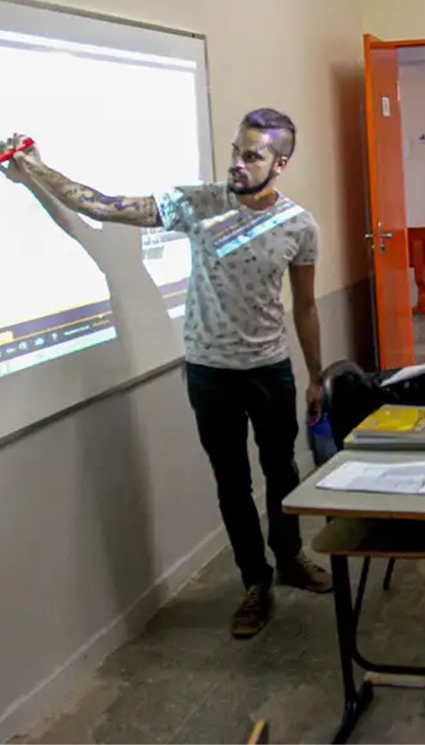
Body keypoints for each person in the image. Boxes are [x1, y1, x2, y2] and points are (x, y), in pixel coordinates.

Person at [2, 110, 331, 639]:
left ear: (280, 163)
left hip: (270, 371)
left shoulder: (298, 225)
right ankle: (255, 582)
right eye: (235, 151)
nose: (238, 164)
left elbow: (307, 305)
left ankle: (290, 557)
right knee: (232, 484)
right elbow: (100, 207)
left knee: (283, 473)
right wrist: (35, 168)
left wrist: (316, 376)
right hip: (209, 373)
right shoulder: (197, 203)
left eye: (253, 156)